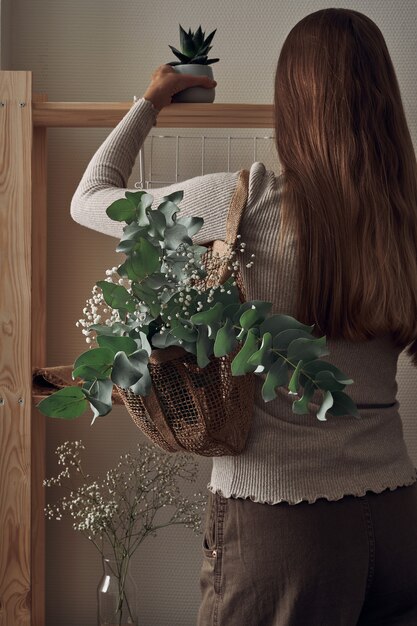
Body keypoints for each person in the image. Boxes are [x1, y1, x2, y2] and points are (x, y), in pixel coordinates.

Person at [69, 7, 417, 625]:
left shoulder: (248, 202)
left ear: (293, 101)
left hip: (281, 527)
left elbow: (91, 196)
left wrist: (151, 101)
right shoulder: (405, 217)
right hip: (397, 517)